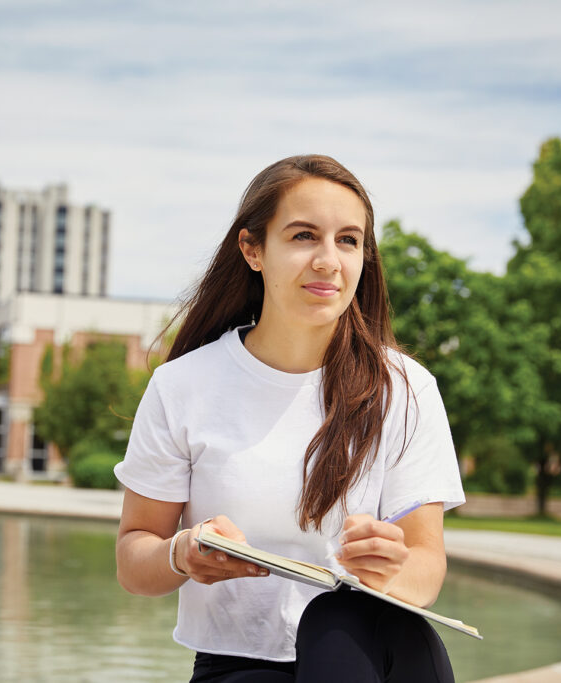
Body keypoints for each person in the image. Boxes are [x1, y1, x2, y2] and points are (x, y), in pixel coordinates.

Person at [114, 154, 465, 682]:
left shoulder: (406, 389)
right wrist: (182, 554)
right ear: (252, 249)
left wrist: (392, 567)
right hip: (239, 664)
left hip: (379, 653)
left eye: (348, 240)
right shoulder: (182, 386)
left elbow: (425, 571)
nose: (329, 260)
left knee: (338, 615)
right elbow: (134, 559)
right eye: (305, 236)